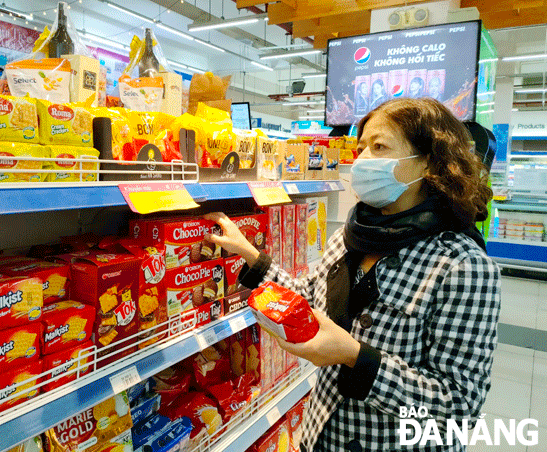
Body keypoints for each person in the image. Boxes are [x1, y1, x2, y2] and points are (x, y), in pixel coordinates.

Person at [205, 98, 500, 452]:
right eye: (361, 148)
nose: (361, 162)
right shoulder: (348, 237)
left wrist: (356, 357)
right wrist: (251, 255)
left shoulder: (463, 266)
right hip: (318, 438)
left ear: (428, 163)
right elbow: (306, 301)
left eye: (380, 147)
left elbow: (460, 407)